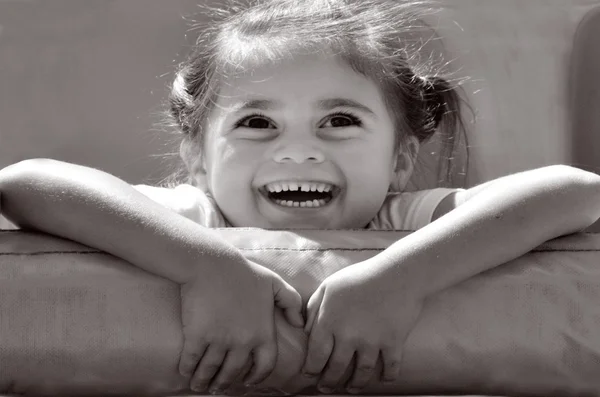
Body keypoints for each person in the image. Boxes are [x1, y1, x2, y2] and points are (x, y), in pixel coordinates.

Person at [1, 0, 600, 394]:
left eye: (339, 120)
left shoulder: (405, 221)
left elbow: (576, 192)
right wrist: (206, 266)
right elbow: (23, 184)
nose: (297, 152)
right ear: (197, 159)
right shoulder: (193, 218)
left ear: (400, 160)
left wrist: (399, 279)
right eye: (257, 124)